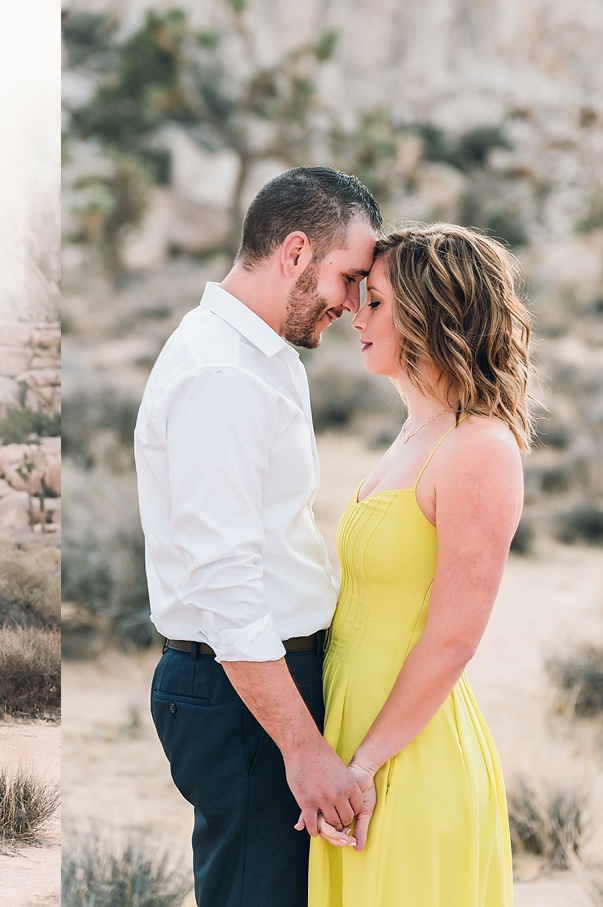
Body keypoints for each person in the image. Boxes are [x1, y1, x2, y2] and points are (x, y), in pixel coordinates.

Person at [135, 166, 382, 906]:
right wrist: (302, 749)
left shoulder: (260, 353)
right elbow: (224, 582)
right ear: (297, 251)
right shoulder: (223, 373)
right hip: (242, 692)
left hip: (260, 684)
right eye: (348, 277)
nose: (354, 302)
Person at [308, 223, 530, 906]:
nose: (355, 316)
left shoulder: (479, 447)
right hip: (351, 733)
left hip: (405, 754)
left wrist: (366, 764)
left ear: (430, 312)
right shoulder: (414, 431)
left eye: (374, 302)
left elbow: (455, 635)